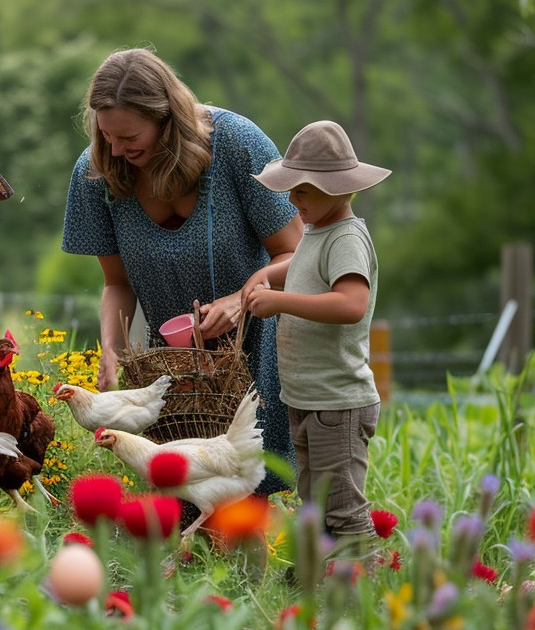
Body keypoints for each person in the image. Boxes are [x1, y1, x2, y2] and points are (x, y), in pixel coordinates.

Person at [62, 48, 303, 487]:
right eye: (106, 135)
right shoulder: (96, 171)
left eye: (129, 137)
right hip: (170, 366)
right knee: (183, 490)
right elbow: (116, 284)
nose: (115, 149)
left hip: (251, 351)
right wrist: (111, 349)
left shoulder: (236, 145)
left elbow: (296, 252)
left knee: (246, 494)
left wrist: (239, 300)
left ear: (166, 120)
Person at [243, 120, 390, 549]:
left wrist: (280, 302)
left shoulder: (346, 238)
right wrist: (267, 274)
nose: (291, 199)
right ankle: (323, 585)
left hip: (337, 403)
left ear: (338, 188)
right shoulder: (319, 231)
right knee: (314, 503)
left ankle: (357, 582)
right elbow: (303, 266)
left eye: (302, 189)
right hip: (308, 398)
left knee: (342, 508)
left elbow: (351, 304)